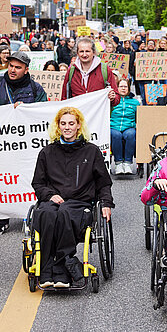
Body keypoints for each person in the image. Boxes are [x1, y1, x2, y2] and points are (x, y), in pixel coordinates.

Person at [31, 107, 113, 288]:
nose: (67, 127)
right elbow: (38, 183)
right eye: (63, 124)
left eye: (71, 123)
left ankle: (60, 270)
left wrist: (106, 202)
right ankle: (49, 270)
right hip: (53, 200)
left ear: (78, 126)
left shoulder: (91, 152)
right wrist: (50, 195)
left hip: (80, 202)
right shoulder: (47, 152)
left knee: (65, 213)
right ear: (58, 127)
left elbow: (103, 182)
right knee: (46, 213)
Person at [0, 49, 47, 234]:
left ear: (26, 69)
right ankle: (0, 219)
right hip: (1, 143)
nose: (13, 70)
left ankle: (27, 214)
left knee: (27, 177)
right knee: (1, 177)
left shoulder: (35, 88)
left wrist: (27, 110)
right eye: (11, 66)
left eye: (18, 67)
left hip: (24, 143)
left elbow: (43, 112)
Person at [61, 37, 119, 103]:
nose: (84, 54)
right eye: (81, 51)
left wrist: (113, 98)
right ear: (77, 53)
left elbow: (116, 98)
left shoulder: (104, 69)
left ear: (93, 52)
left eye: (87, 51)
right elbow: (64, 97)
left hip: (98, 112)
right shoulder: (71, 70)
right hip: (77, 112)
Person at [110, 77, 140, 175]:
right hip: (114, 126)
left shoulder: (135, 102)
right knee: (116, 135)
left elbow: (139, 118)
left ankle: (127, 163)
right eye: (121, 86)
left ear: (128, 88)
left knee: (131, 134)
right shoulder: (111, 101)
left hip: (129, 127)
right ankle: (118, 164)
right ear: (117, 88)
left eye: (125, 86)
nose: (123, 88)